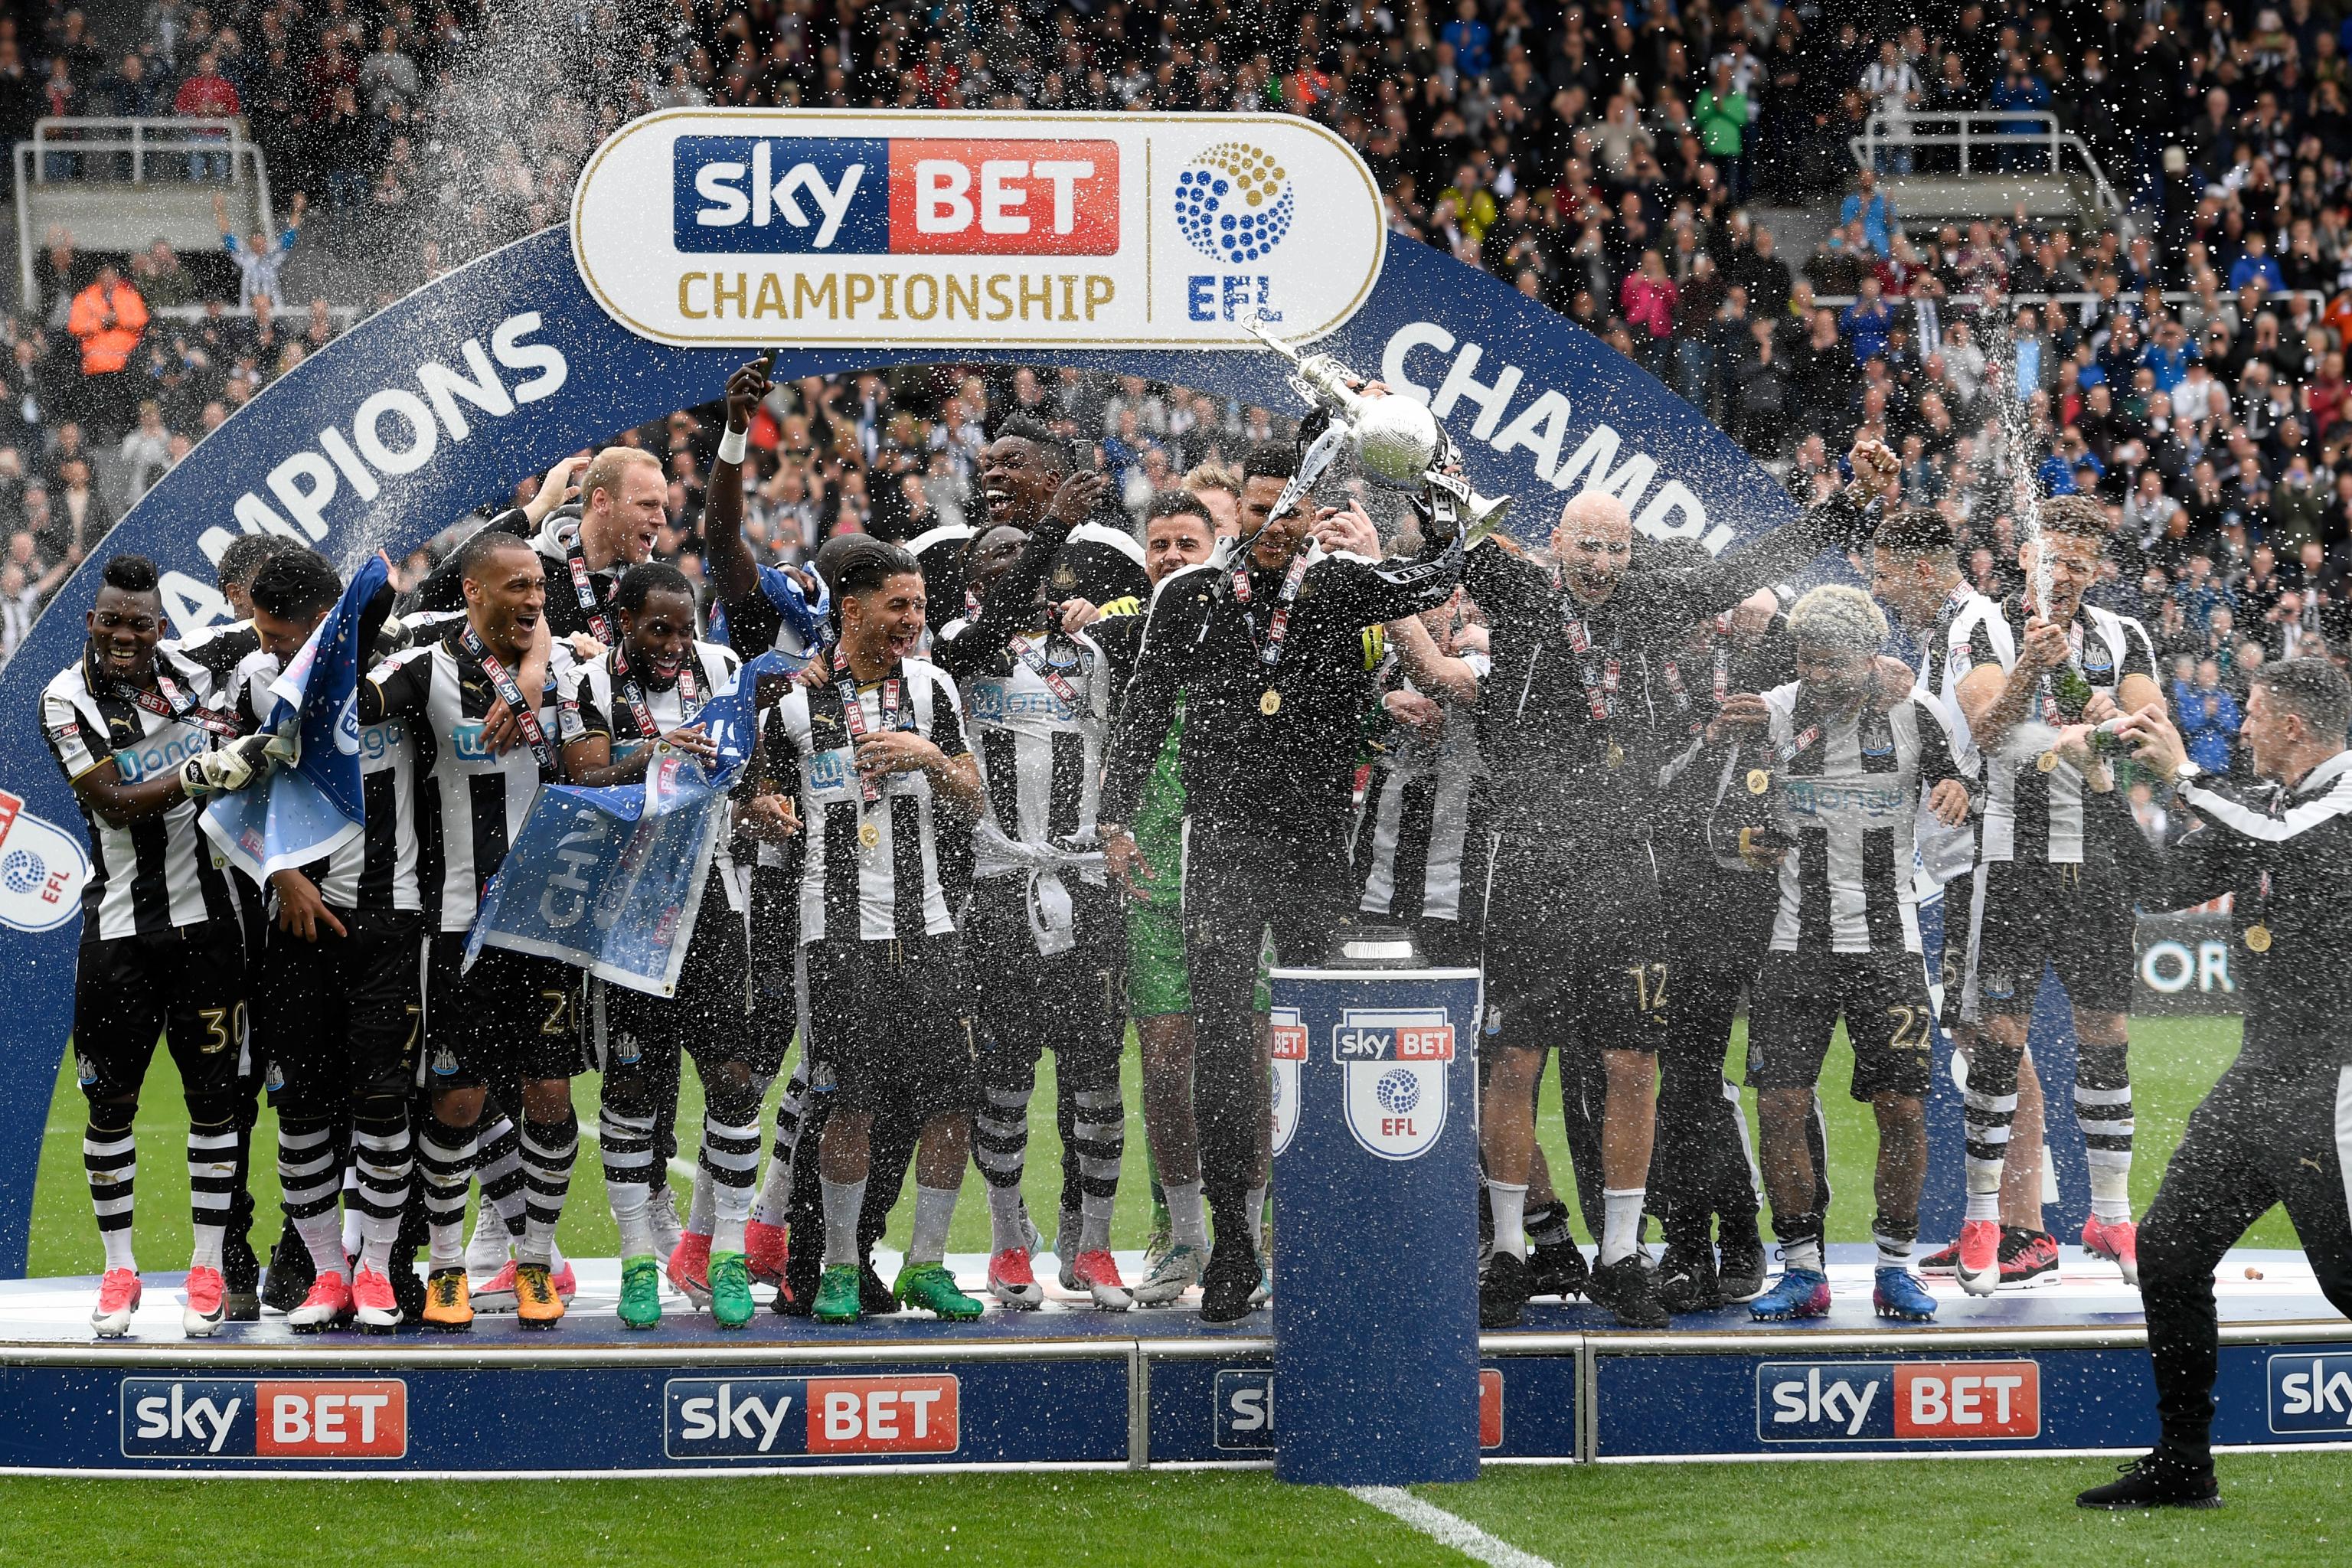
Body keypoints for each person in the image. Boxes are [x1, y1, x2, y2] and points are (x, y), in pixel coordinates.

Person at [1467, 440, 1899, 1331]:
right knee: (1513, 1061)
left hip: (1631, 865)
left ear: (1632, 555)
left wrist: (1849, 505)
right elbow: (1449, 531)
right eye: (1586, 545)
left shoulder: (1657, 604)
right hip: (1533, 860)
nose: (1600, 563)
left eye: (1615, 548)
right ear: (1555, 543)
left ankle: (1625, 1257)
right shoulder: (1513, 591)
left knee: (1634, 1062)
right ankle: (1508, 1250)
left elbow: (1754, 564)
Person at [1099, 441, 1463, 1321]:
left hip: (1313, 846)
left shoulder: (1340, 585)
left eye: (1289, 513)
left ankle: (1314, 1229)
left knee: (1314, 1035)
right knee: (1224, 1043)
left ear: (1313, 517)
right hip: (1218, 842)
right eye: (1258, 511)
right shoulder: (1189, 597)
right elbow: (1145, 706)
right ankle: (1231, 1239)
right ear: (1239, 515)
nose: (1271, 528)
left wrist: (1439, 496)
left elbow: (1433, 579)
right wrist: (1114, 818)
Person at [2080, 659, 2352, 1509]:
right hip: (2263, 1073)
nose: (2240, 729)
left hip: (2334, 1076)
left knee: (2348, 1281)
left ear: (2296, 727)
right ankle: (2184, 1460)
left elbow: (2285, 843)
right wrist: (2104, 784)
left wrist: (2183, 772)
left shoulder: (2334, 802)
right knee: (2169, 1249)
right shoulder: (2266, 804)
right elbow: (2157, 883)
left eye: (2254, 715)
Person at [41, 554, 276, 1336]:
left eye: (139, 623)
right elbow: (110, 804)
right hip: (118, 936)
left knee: (215, 1103)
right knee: (109, 1107)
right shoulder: (65, 698)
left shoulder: (197, 669)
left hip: (208, 927)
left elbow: (280, 627)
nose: (123, 635)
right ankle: (119, 1270)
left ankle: (207, 1263)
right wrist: (203, 772)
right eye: (111, 620)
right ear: (90, 621)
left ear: (160, 627)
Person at [758, 539, 989, 1325]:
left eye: (920, 606)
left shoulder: (932, 688)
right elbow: (757, 811)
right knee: (849, 1102)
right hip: (836, 931)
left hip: (930, 924)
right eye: (899, 605)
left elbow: (973, 800)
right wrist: (765, 814)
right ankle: (836, 1266)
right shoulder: (794, 706)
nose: (914, 621)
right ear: (850, 611)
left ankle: (926, 1262)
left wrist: (928, 756)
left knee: (951, 1098)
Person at [1726, 586, 1971, 1323]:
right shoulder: (1776, 709)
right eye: (1806, 660)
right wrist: (1747, 833)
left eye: (1832, 663)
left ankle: (1894, 1267)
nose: (1816, 675)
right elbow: (1730, 804)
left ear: (1870, 658)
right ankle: (1801, 1268)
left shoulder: (1913, 711)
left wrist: (1957, 785)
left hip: (1887, 944)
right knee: (1782, 1104)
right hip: (1793, 943)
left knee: (1902, 1106)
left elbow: (1964, 779)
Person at [361, 528, 582, 1331]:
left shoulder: (563, 671)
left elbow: (597, 759)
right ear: (472, 593)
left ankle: (534, 1261)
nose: (531, 597)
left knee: (549, 1093)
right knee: (457, 1098)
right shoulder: (423, 670)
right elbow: (354, 703)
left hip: (547, 918)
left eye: (538, 586)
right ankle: (447, 1264)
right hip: (455, 923)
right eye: (514, 585)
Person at [1947, 495, 2163, 1295]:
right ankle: (1981, 1219)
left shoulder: (2123, 634)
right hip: (2010, 862)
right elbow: (1988, 732)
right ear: (2025, 558)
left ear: (2096, 568)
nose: (2064, 574)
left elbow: (2151, 737)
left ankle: (2110, 1210)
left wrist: (2114, 716)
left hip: (2098, 865)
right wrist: (2037, 671)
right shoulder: (1984, 628)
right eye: (2052, 559)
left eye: (2079, 562)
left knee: (2105, 1031)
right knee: (1999, 1037)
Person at [559, 561, 779, 1330]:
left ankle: (721, 1257)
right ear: (623, 622)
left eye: (684, 628)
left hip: (713, 897)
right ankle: (637, 1263)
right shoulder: (585, 680)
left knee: (734, 1078)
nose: (676, 644)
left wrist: (761, 807)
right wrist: (651, 755)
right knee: (630, 1090)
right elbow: (583, 774)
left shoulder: (722, 668)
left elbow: (742, 779)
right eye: (659, 628)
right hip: (628, 904)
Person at [932, 475, 1132, 1311]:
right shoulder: (960, 650)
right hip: (1002, 891)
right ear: (979, 582)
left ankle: (1093, 1247)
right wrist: (1047, 527)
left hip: (1084, 884)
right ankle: (1010, 1240)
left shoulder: (1090, 654)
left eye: (1032, 553)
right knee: (1006, 1072)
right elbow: (973, 639)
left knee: (1095, 1074)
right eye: (999, 556)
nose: (1020, 563)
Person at [217, 549, 422, 1332]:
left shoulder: (409, 662)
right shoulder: (256, 681)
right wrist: (278, 872)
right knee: (300, 1107)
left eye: (280, 635)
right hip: (297, 925)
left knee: (381, 1102)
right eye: (262, 635)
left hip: (386, 918)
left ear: (322, 622)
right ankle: (327, 1273)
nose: (269, 649)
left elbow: (394, 583)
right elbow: (242, 789)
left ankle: (375, 1270)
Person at [1869, 507, 2059, 1286]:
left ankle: (2021, 1226)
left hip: (1993, 851)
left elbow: (1984, 723)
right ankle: (2008, 1218)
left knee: (1994, 1033)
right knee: (1975, 1034)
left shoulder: (1969, 625)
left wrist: (2023, 680)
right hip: (1964, 857)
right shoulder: (1942, 627)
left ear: (1919, 570)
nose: (1877, 590)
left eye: (1883, 574)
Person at [405, 446, 655, 662]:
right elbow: (430, 597)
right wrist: (540, 506)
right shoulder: (525, 567)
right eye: (647, 505)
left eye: (663, 507)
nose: (661, 520)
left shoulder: (654, 589)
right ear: (601, 502)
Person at [215, 191, 306, 311]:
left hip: (274, 312)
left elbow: (291, 234)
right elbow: (227, 236)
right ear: (250, 245)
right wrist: (219, 210)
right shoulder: (246, 257)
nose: (259, 249)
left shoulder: (272, 255)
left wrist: (297, 211)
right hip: (248, 312)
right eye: (256, 246)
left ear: (266, 243)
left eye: (261, 245)